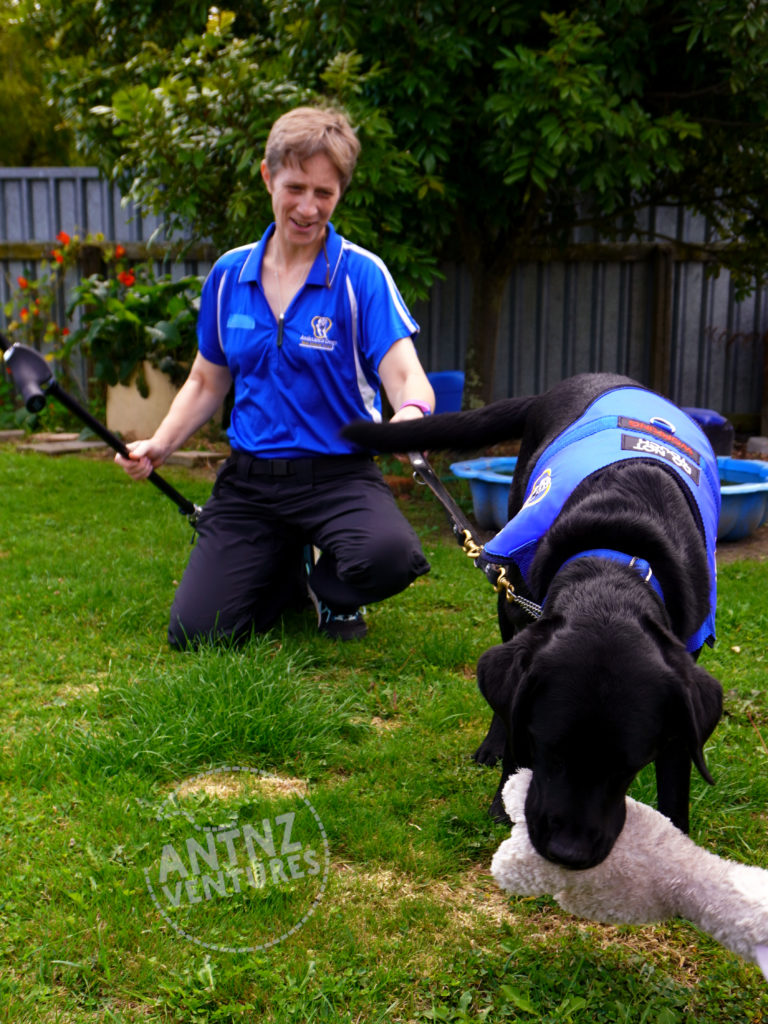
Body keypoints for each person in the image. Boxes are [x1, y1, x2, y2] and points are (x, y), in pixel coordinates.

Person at [116, 105, 434, 647]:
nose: (308, 208)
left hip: (339, 475)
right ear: (268, 177)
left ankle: (328, 586)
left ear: (340, 194)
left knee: (392, 558)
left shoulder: (360, 274)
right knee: (199, 633)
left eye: (324, 193)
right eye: (295, 187)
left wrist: (409, 419)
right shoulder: (228, 275)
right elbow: (205, 381)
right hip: (252, 482)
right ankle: (286, 569)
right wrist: (160, 444)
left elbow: (407, 378)